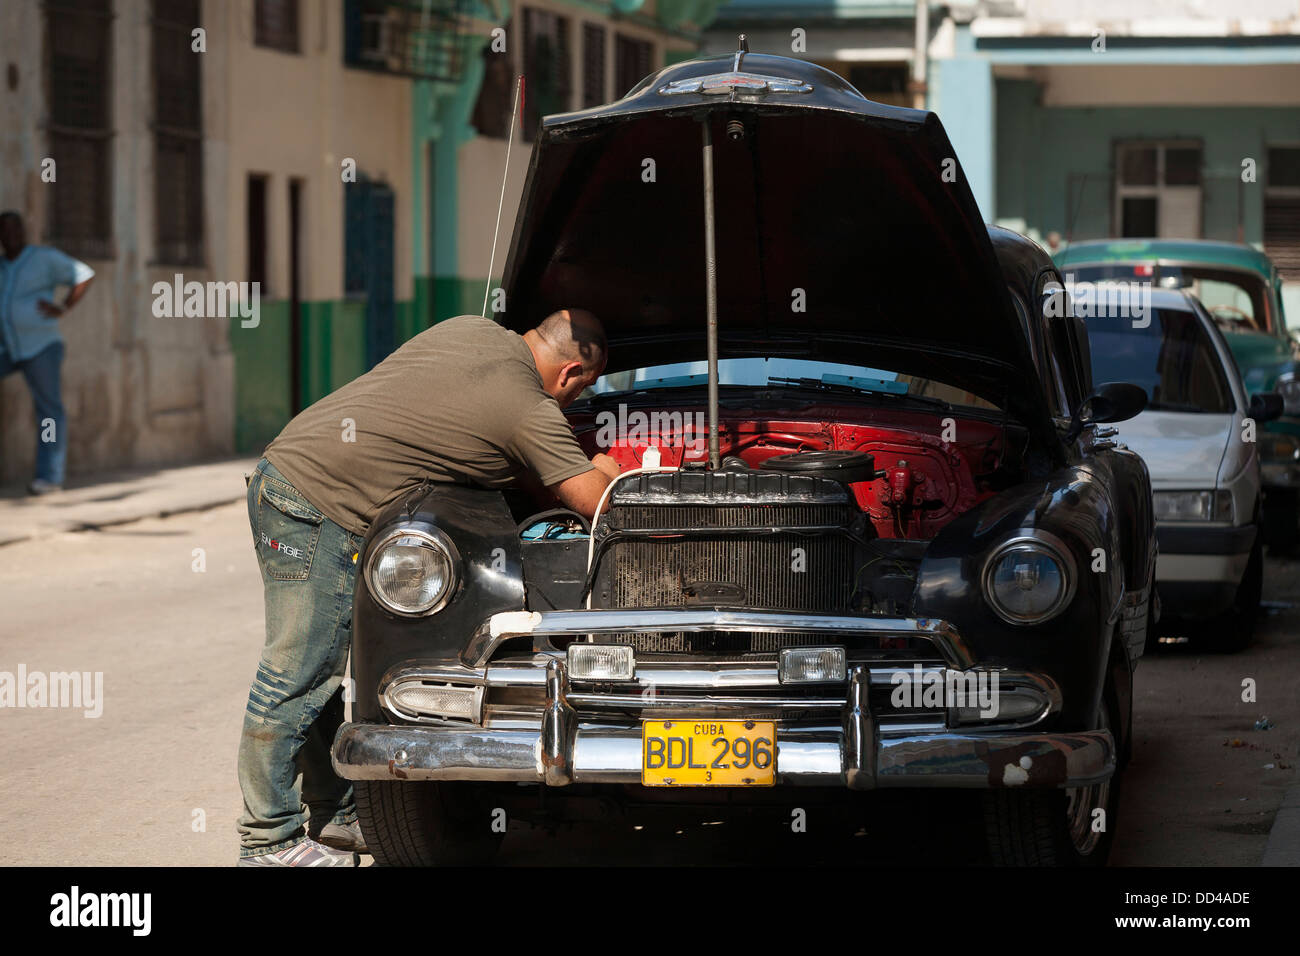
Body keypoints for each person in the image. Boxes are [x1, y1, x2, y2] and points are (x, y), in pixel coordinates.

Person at [237, 308, 620, 866]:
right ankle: (267, 842)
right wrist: (608, 466)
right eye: (580, 393)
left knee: (322, 667)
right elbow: (594, 502)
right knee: (295, 674)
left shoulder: (471, 329)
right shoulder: (527, 407)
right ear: (570, 377)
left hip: (292, 473)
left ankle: (333, 814)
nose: (572, 404)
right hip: (314, 505)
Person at [0, 211, 95, 494]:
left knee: (49, 411)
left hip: (41, 346)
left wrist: (64, 307)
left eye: (14, 230)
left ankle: (50, 477)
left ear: (23, 233)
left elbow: (84, 275)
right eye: (3, 231)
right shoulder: (2, 267)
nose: (9, 236)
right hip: (7, 346)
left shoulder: (44, 258)